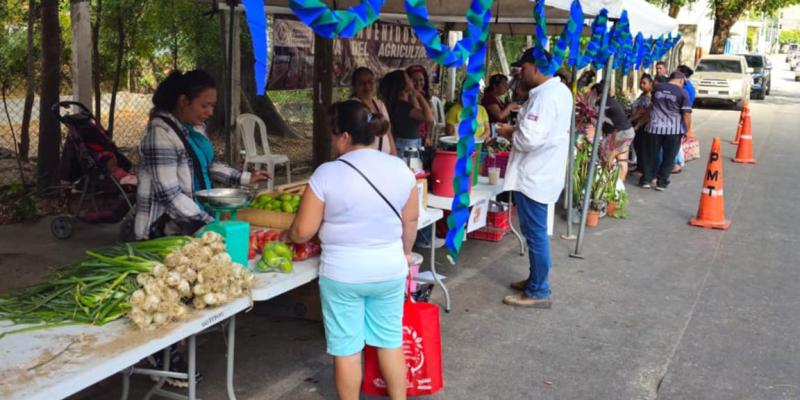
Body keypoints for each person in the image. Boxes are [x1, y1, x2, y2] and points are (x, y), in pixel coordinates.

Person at [289, 100, 419, 400]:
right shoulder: (399, 168)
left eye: (334, 135)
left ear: (345, 136)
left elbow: (303, 231)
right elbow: (410, 220)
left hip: (343, 274)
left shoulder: (326, 174)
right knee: (390, 342)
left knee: (346, 350)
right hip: (388, 270)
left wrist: (289, 233)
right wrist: (405, 253)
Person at [135, 69, 270, 240]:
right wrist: (209, 224)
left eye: (212, 106)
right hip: (166, 231)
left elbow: (208, 164)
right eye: (204, 106)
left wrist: (244, 178)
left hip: (197, 220)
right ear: (184, 101)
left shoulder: (196, 128)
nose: (210, 112)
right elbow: (170, 196)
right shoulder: (160, 134)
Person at [495, 48, 573, 308]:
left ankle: (539, 291)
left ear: (536, 67)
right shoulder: (558, 91)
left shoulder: (545, 97)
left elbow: (528, 139)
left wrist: (508, 132)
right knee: (534, 233)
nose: (521, 72)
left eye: (524, 68)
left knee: (536, 235)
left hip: (534, 175)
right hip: (542, 172)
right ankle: (535, 280)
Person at [640, 71, 693, 191]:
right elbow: (686, 114)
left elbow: (651, 106)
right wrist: (687, 130)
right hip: (673, 130)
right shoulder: (682, 93)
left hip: (654, 128)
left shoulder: (657, 88)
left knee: (649, 155)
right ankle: (661, 183)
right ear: (681, 80)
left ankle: (646, 180)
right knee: (669, 157)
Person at [584, 81, 636, 180]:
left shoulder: (604, 105)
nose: (590, 95)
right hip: (625, 132)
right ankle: (618, 184)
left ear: (599, 95)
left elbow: (594, 123)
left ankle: (614, 184)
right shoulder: (607, 101)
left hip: (622, 134)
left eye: (592, 93)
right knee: (621, 160)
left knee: (609, 159)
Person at [379, 69, 434, 156]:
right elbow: (429, 119)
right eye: (408, 78)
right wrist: (419, 96)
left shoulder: (399, 104)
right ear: (402, 85)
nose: (412, 80)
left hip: (407, 146)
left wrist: (413, 95)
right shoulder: (403, 107)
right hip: (407, 149)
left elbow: (418, 112)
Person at [351, 67, 397, 155]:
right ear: (354, 86)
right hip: (364, 157)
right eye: (361, 83)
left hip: (384, 156)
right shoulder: (353, 107)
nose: (367, 86)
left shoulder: (380, 104)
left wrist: (393, 154)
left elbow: (388, 132)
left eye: (370, 81)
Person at [629, 73, 654, 174]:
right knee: (638, 146)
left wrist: (630, 120)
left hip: (642, 124)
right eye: (641, 83)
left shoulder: (648, 97)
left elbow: (641, 112)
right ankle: (639, 166)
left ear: (651, 84)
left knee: (642, 147)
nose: (642, 85)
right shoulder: (643, 95)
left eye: (644, 83)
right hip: (637, 123)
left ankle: (642, 169)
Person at [406, 65, 433, 146]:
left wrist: (428, 136)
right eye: (414, 80)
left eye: (421, 80)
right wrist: (417, 96)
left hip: (422, 136)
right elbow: (420, 118)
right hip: (412, 136)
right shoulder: (408, 97)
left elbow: (430, 120)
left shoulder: (424, 96)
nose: (418, 83)